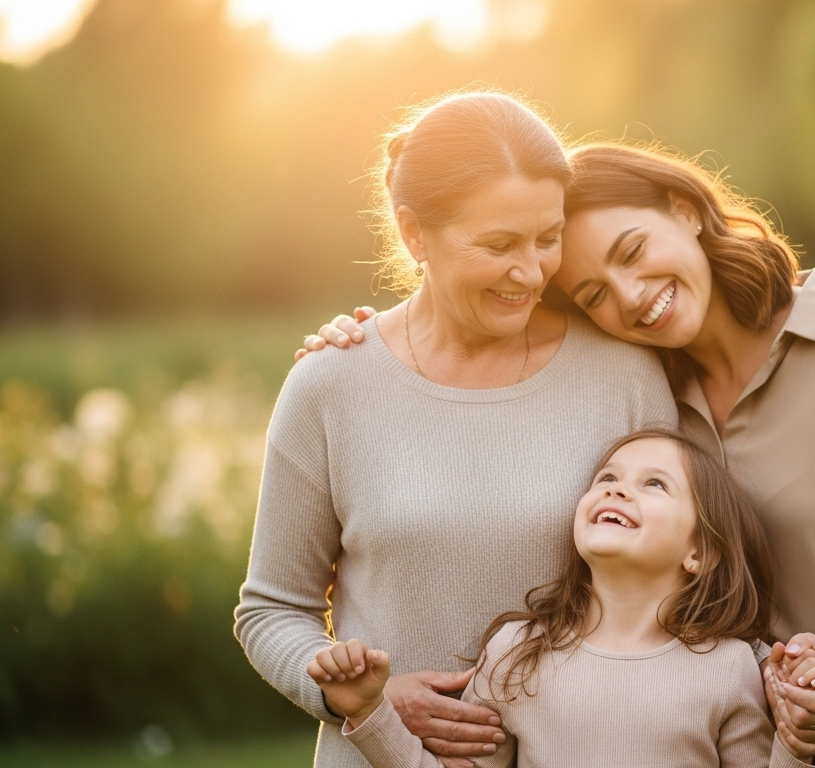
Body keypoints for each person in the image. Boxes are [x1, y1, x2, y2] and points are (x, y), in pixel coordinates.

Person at [303, 140, 815, 768]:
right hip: (728, 743)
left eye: (633, 251)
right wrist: (368, 344)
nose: (633, 297)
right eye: (594, 294)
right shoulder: (644, 392)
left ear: (684, 210)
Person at [234, 93, 678, 768]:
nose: (531, 273)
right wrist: (358, 697)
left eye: (547, 239)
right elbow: (270, 609)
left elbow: (676, 585)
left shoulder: (624, 377)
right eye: (499, 245)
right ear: (415, 234)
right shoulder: (331, 384)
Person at [305, 429, 815, 767]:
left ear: (700, 553)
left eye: (654, 484)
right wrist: (369, 711)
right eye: (607, 477)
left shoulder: (729, 669)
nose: (616, 488)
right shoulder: (517, 653)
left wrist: (800, 748)